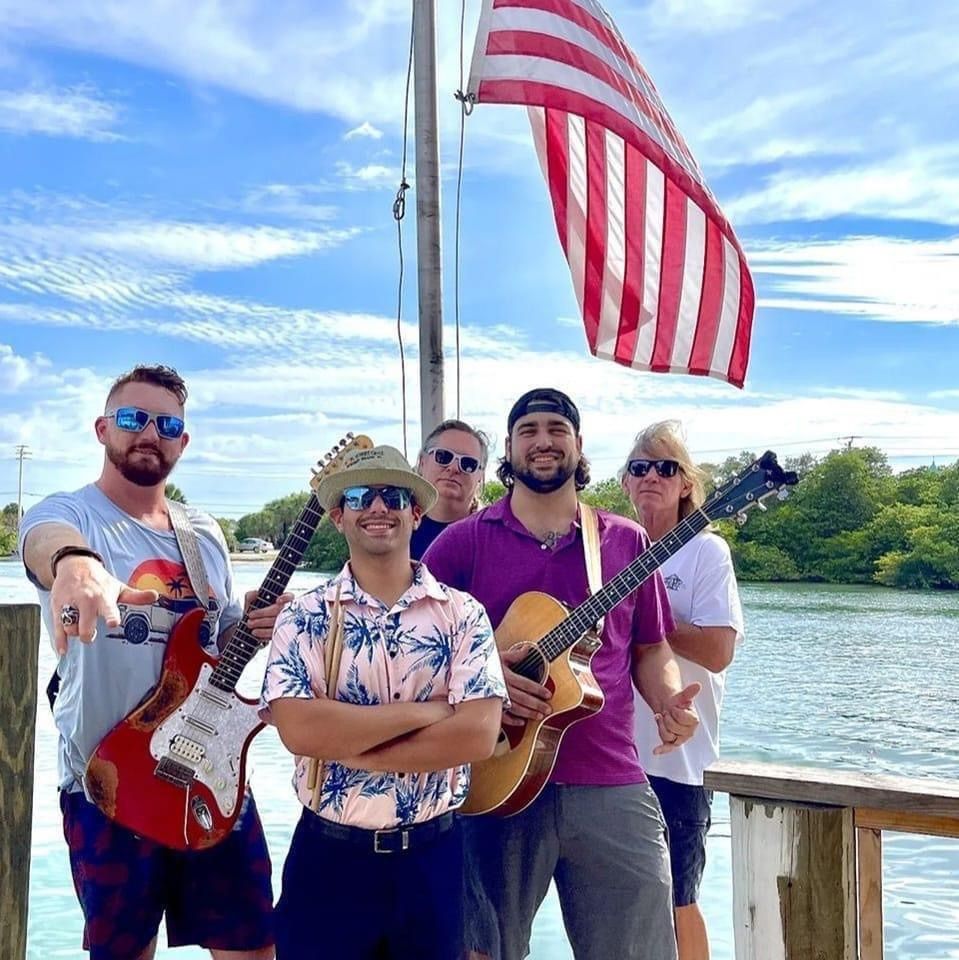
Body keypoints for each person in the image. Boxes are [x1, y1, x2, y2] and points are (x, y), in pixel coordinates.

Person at [18, 364, 288, 960]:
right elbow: (40, 541)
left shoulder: (205, 534)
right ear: (102, 428)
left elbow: (213, 645)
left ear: (183, 441)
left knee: (253, 947)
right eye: (133, 418)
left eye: (167, 424)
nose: (150, 433)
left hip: (209, 777)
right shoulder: (71, 515)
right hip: (109, 783)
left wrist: (252, 623)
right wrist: (73, 563)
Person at [424, 388, 700, 960]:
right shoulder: (462, 544)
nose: (543, 441)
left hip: (611, 779)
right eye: (528, 430)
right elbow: (413, 652)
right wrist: (483, 674)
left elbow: (651, 648)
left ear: (578, 446)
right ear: (508, 448)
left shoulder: (626, 542)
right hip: (493, 781)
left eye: (556, 429)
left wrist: (670, 700)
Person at [260, 444, 508, 960]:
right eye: (359, 496)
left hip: (432, 859)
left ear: (415, 512)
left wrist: (348, 745)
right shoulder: (302, 617)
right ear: (338, 516)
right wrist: (427, 711)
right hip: (329, 859)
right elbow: (300, 731)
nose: (378, 507)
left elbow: (477, 735)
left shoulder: (463, 614)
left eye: (393, 495)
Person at [622, 421, 744, 960]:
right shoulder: (610, 548)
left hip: (678, 762)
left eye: (666, 467)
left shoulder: (707, 552)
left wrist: (645, 613)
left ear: (686, 483)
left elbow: (719, 650)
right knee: (619, 904)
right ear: (625, 482)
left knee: (680, 898)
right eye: (640, 467)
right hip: (612, 757)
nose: (652, 476)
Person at [411, 418, 490, 559]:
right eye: (443, 456)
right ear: (422, 462)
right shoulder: (395, 529)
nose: (453, 468)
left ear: (480, 476)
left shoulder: (491, 537)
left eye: (468, 464)